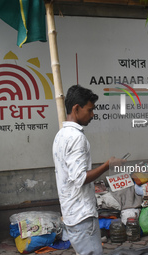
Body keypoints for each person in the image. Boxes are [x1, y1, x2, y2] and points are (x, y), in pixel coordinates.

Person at [52, 85, 125, 255]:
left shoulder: (61, 135)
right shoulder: (76, 138)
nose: (92, 115)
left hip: (71, 213)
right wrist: (107, 165)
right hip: (82, 215)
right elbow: (79, 178)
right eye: (90, 110)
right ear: (76, 108)